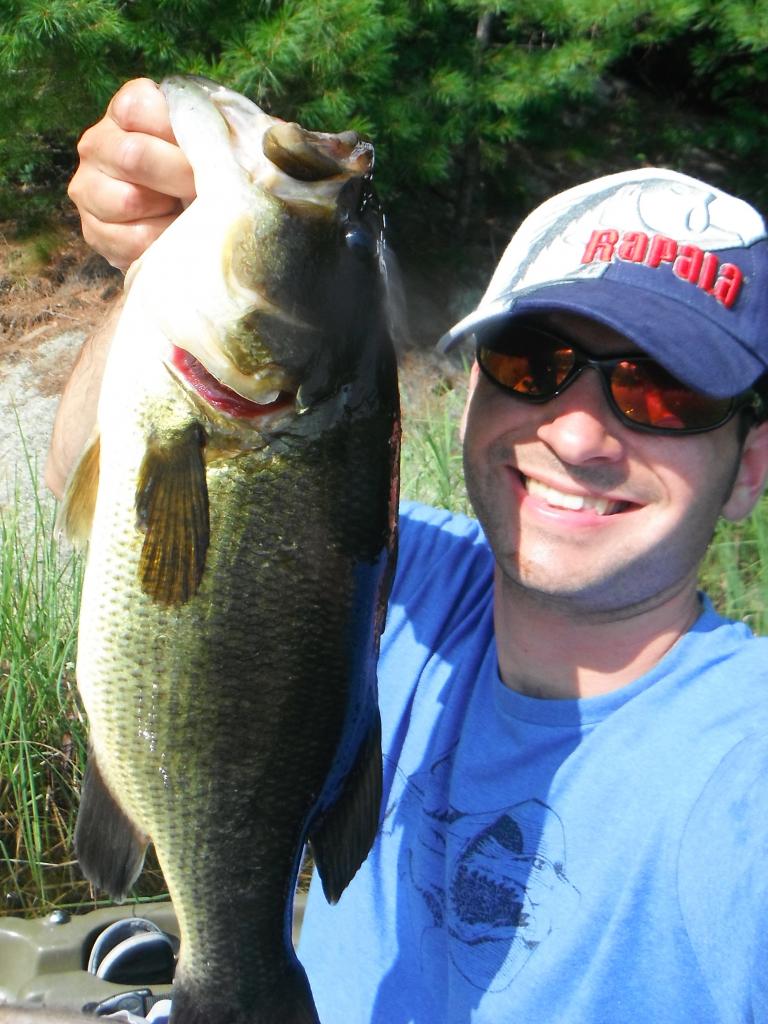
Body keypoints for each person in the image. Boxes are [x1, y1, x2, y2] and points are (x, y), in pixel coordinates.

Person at [49, 78, 768, 1024]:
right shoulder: (393, 581)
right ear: (472, 396)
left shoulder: (739, 770)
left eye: (664, 393)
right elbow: (88, 482)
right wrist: (155, 262)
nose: (583, 436)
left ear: (749, 469)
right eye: (536, 365)